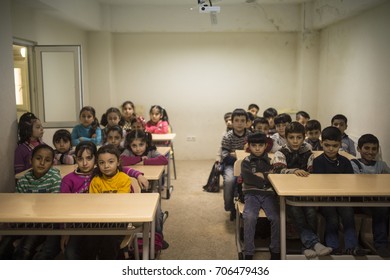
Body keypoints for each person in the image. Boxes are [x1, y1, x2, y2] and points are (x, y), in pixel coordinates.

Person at [272, 122, 332, 258]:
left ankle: (306, 246)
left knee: (311, 212)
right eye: (291, 137)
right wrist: (294, 171)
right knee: (296, 212)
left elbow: (311, 173)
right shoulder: (280, 153)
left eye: (298, 137)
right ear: (286, 138)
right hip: (285, 195)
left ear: (304, 137)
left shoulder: (308, 153)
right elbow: (277, 171)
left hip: (304, 193)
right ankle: (314, 243)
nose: (295, 141)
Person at [313, 126, 368, 255]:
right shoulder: (318, 161)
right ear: (322, 143)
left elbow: (349, 182)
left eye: (334, 145)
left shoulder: (345, 161)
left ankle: (352, 246)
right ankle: (333, 245)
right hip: (325, 199)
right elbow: (319, 183)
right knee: (332, 217)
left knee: (348, 215)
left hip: (342, 198)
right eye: (327, 145)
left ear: (340, 145)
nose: (331, 149)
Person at [82, 144, 132, 259]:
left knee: (109, 242)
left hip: (119, 219)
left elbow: (119, 202)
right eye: (102, 163)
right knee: (89, 240)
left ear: (118, 162)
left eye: (110, 162)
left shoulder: (124, 179)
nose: (106, 166)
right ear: (97, 164)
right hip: (98, 220)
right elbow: (93, 203)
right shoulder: (96, 180)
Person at [17, 144, 61, 260]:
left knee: (39, 250)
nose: (42, 163)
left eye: (47, 160)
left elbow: (54, 205)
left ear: (52, 164)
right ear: (30, 160)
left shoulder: (54, 179)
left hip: (50, 222)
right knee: (18, 247)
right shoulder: (23, 181)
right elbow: (18, 205)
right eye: (38, 158)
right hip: (29, 221)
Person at [241, 132, 280, 260]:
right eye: (254, 145)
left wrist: (262, 176)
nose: (257, 148)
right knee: (250, 217)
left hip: (268, 194)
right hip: (251, 194)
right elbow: (248, 179)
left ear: (265, 146)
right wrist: (265, 177)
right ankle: (248, 251)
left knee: (276, 217)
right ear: (249, 146)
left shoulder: (271, 160)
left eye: (260, 145)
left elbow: (274, 177)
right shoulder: (245, 161)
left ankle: (275, 249)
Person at [350, 134, 390, 257]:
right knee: (381, 210)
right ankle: (380, 244)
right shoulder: (354, 164)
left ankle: (382, 243)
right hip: (359, 201)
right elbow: (358, 183)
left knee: (383, 208)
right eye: (366, 148)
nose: (370, 152)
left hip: (378, 200)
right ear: (359, 149)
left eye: (374, 149)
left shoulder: (381, 165)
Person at [220, 108, 251, 221]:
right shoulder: (228, 136)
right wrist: (236, 156)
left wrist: (234, 153)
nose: (239, 123)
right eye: (236, 120)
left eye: (242, 120)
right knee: (229, 181)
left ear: (247, 123)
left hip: (247, 165)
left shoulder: (249, 135)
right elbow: (224, 155)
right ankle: (230, 207)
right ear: (232, 122)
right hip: (231, 165)